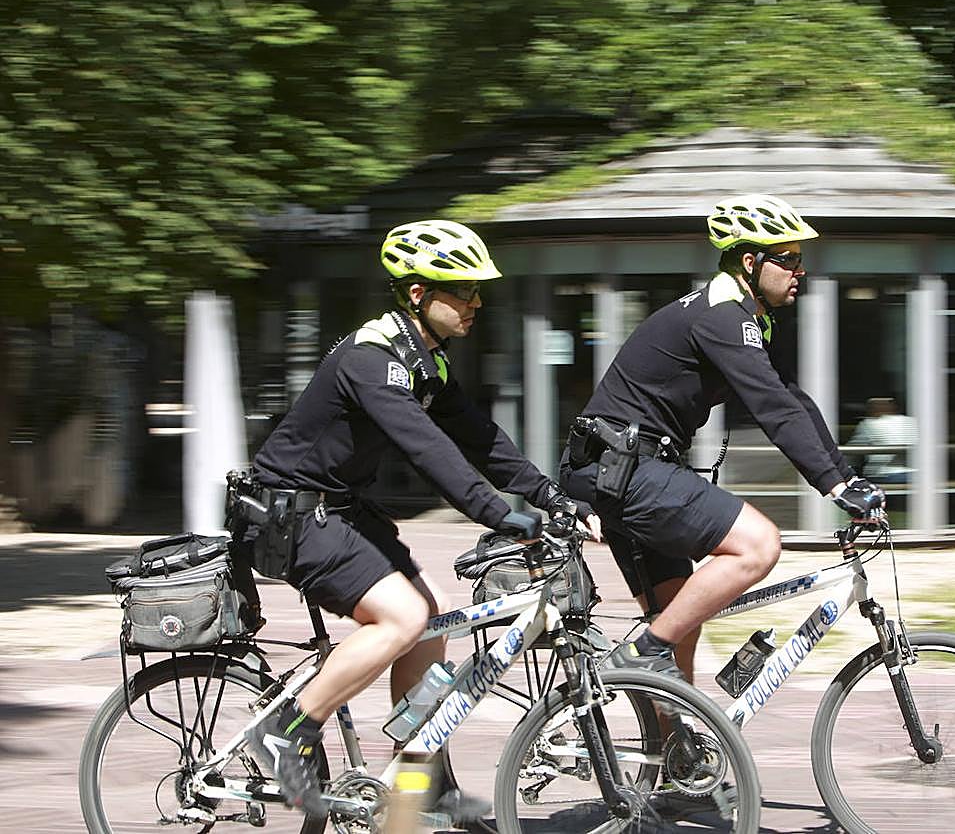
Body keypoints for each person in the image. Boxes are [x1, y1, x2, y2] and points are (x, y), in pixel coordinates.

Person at [241, 219, 597, 821]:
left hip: (339, 510)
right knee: (403, 616)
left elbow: (481, 440)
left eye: (477, 291)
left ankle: (418, 784)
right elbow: (429, 450)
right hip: (290, 514)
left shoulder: (422, 360)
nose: (476, 302)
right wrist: (502, 515)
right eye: (462, 289)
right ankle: (284, 731)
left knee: (430, 623)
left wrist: (549, 497)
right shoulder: (372, 360)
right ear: (416, 294)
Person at [560, 193, 884, 686]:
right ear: (751, 262)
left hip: (625, 468)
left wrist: (845, 476)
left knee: (678, 621)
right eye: (789, 260)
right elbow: (772, 409)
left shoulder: (743, 318)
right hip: (622, 467)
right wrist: (835, 489)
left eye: (802, 260)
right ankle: (640, 656)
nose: (801, 271)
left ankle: (673, 754)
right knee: (757, 545)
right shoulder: (721, 316)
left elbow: (791, 401)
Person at [847, 397, 917, 484]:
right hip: (915, 475)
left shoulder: (868, 423)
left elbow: (853, 453)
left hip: (884, 474)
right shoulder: (911, 421)